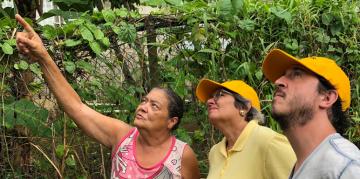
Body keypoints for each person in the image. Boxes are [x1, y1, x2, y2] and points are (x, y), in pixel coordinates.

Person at [15, 14, 200, 179]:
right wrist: (43, 56)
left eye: (154, 106)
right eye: (144, 101)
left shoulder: (183, 156)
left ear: (171, 121)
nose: (143, 106)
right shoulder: (121, 136)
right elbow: (76, 107)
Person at [262, 48, 360, 178]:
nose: (278, 82)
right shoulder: (302, 166)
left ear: (327, 98)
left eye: (296, 74)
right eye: (284, 75)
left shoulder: (345, 167)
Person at [196, 79, 296, 179]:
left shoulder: (269, 142)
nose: (209, 101)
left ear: (245, 107)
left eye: (220, 95)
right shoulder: (215, 152)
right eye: (210, 97)